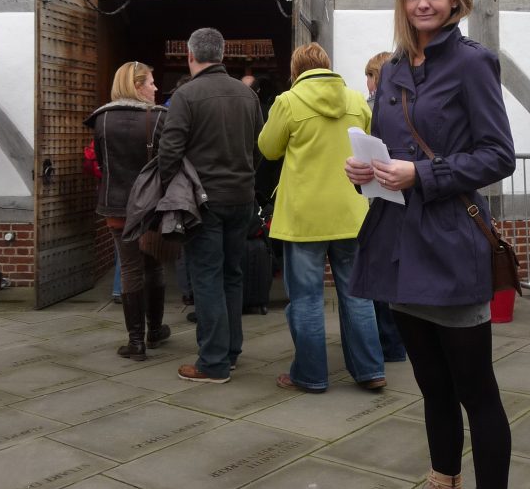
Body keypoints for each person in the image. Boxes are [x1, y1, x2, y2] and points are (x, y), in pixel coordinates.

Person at [346, 0, 516, 489]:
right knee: (432, 393)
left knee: (478, 395)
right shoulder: (391, 69)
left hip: (451, 248)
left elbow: (498, 156)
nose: (423, 4)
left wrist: (422, 172)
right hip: (397, 246)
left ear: (455, 1)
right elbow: (388, 151)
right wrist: (364, 169)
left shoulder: (474, 65)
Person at [259, 42, 385, 393]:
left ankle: (311, 375)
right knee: (358, 295)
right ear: (328, 66)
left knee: (306, 299)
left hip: (304, 217)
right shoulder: (357, 101)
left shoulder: (288, 101)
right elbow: (375, 142)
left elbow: (268, 148)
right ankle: (370, 370)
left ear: (295, 70)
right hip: (350, 213)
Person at [158, 28, 263, 384]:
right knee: (232, 275)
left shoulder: (186, 96)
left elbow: (169, 150)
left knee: (206, 278)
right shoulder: (246, 95)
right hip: (242, 197)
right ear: (222, 55)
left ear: (191, 56)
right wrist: (246, 177)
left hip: (204, 201)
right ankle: (230, 351)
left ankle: (214, 362)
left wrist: (167, 188)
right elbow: (259, 147)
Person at [85, 61, 169, 360]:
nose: (155, 88)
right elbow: (166, 163)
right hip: (150, 206)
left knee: (131, 268)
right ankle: (155, 330)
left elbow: (103, 164)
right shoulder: (159, 118)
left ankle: (136, 342)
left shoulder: (101, 119)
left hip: (115, 204)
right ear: (136, 86)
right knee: (154, 265)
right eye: (150, 82)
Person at [364, 50, 406, 364]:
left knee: (381, 278)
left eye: (369, 75)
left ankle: (389, 344)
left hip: (382, 200)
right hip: (393, 198)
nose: (366, 82)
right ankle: (396, 343)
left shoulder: (372, 107)